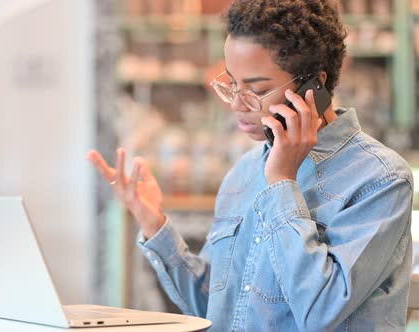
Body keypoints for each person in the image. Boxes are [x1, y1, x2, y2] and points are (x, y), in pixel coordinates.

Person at [87, 1, 414, 330]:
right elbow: (218, 309)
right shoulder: (242, 173)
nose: (238, 105)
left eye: (256, 90)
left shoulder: (380, 179)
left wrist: (282, 183)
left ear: (314, 87)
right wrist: (154, 224)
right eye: (232, 85)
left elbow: (321, 311)